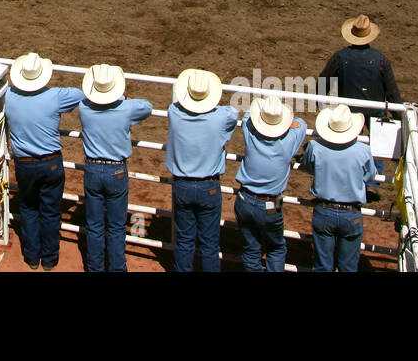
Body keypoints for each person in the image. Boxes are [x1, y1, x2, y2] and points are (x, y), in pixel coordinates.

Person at [4, 52, 83, 271]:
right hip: (51, 162)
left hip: (25, 163)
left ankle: (31, 257)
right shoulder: (55, 96)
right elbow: (80, 94)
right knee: (51, 209)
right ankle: (49, 258)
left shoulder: (9, 96)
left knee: (29, 207)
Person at [78, 64, 152, 272]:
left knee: (94, 225)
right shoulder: (126, 109)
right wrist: (125, 98)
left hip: (92, 168)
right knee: (117, 226)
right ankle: (118, 268)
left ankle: (95, 267)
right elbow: (147, 106)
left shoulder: (85, 108)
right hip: (116, 170)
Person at [165, 69, 238, 272]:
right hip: (209, 186)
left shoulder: (175, 113)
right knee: (209, 243)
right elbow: (232, 113)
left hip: (183, 185)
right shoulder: (221, 119)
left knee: (184, 240)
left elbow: (176, 106)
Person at [319, 14, 402, 181]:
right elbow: (392, 90)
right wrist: (399, 114)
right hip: (375, 108)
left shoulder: (340, 57)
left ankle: (346, 173)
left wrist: (321, 103)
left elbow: (323, 82)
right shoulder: (380, 60)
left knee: (347, 140)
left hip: (349, 109)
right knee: (377, 144)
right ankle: (374, 179)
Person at [235, 95, 308, 272]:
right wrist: (288, 124)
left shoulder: (250, 132)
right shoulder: (289, 140)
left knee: (251, 248)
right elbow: (302, 124)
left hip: (244, 198)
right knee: (276, 247)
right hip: (271, 202)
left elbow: (246, 117)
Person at [302, 103, 375, 272]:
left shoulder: (315, 147)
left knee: (322, 266)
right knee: (348, 267)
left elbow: (307, 166)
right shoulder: (363, 150)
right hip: (351, 212)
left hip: (324, 209)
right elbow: (370, 176)